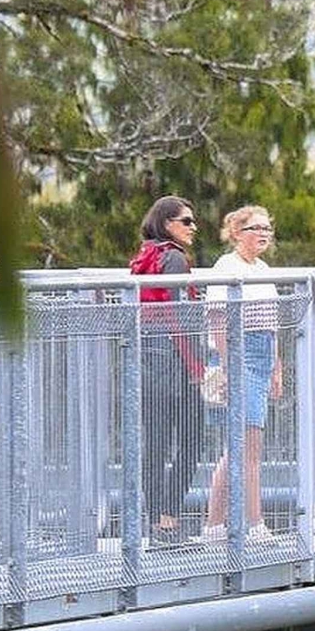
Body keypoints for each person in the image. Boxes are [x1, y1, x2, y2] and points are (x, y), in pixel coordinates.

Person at [201, 205, 284, 544]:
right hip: (239, 354)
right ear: (236, 233)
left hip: (262, 354)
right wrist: (228, 364)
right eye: (254, 228)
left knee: (240, 448)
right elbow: (218, 319)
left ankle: (214, 527)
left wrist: (277, 366)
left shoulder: (262, 268)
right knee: (247, 447)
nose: (262, 234)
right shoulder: (227, 267)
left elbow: (271, 323)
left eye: (267, 228)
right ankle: (253, 524)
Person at [130, 196, 207, 546]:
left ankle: (156, 522)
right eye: (186, 221)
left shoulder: (148, 256)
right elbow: (178, 316)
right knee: (192, 441)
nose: (194, 227)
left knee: (156, 444)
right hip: (174, 363)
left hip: (148, 360)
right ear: (167, 224)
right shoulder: (174, 258)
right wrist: (196, 367)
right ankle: (168, 519)